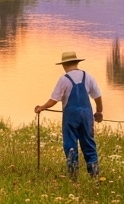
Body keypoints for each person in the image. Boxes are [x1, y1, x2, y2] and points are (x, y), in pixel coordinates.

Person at [34, 50, 103, 179]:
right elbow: (97, 96)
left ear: (64, 65)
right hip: (86, 116)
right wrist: (99, 112)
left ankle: (73, 176)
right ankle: (94, 175)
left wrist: (41, 107)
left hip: (71, 117)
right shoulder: (88, 76)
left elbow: (53, 100)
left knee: (70, 144)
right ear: (76, 63)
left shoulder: (64, 80)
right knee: (89, 143)